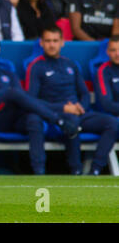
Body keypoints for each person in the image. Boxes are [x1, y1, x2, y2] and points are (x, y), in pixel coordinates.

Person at [0, 33, 79, 175]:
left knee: (33, 118)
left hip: (15, 118)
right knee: (13, 93)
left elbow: (24, 99)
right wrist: (6, 92)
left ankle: (39, 171)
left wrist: (5, 94)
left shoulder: (8, 73)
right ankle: (58, 120)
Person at [25, 26, 119, 175]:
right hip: (53, 116)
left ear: (62, 42)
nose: (52, 44)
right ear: (41, 43)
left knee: (113, 123)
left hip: (78, 112)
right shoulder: (36, 66)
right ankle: (76, 169)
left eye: (55, 40)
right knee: (70, 120)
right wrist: (63, 108)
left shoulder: (71, 64)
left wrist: (81, 107)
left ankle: (95, 169)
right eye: (48, 41)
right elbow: (31, 100)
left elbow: (85, 94)